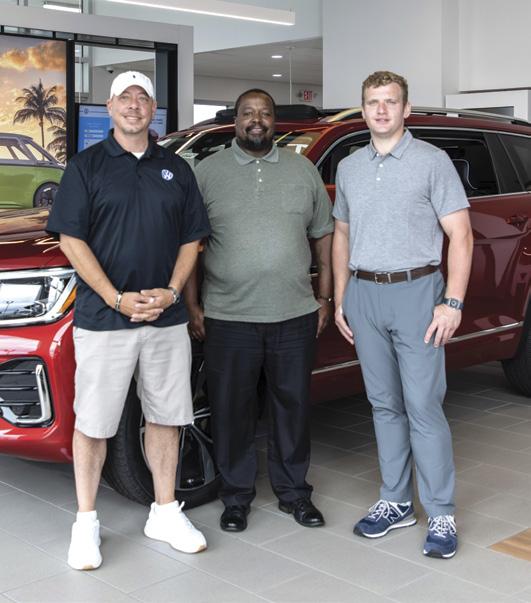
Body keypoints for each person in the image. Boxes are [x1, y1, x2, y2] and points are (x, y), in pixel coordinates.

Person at [46, 71, 211, 570]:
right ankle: (86, 523)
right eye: (125, 97)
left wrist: (173, 291)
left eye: (143, 98)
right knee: (94, 422)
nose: (134, 105)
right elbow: (71, 240)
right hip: (104, 319)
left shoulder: (176, 169)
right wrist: (115, 298)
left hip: (166, 318)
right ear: (110, 107)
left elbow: (192, 239)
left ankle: (164, 512)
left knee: (166, 416)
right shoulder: (86, 166)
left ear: (153, 109)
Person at [332, 71, 473, 559]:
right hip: (365, 295)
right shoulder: (350, 167)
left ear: (406, 109)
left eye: (390, 102)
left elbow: (461, 235)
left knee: (423, 406)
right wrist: (342, 297)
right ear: (363, 110)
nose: (381, 110)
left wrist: (452, 302)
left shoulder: (432, 162)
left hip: (417, 293)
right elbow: (342, 233)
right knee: (383, 404)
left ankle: (441, 511)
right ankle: (396, 501)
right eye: (373, 102)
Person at [184, 88, 333, 532]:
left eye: (264, 113)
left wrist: (325, 298)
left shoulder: (302, 170)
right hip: (228, 316)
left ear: (274, 121)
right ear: (235, 120)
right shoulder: (207, 173)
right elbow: (190, 244)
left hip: (293, 314)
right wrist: (193, 305)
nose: (256, 120)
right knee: (232, 412)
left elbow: (323, 236)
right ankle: (235, 497)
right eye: (247, 112)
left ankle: (294, 493)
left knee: (293, 408)